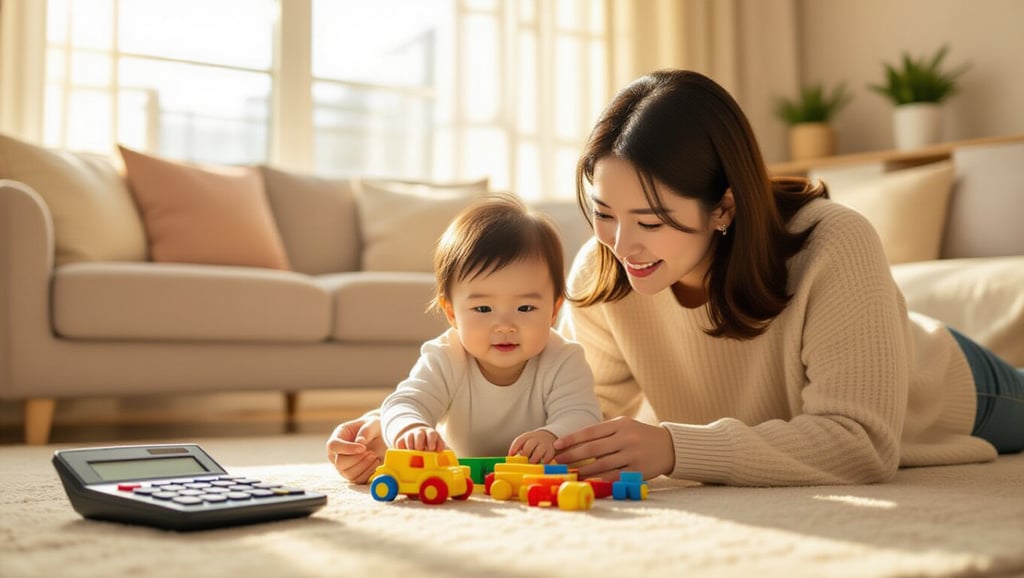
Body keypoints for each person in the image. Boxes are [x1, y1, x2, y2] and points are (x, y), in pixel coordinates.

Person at [328, 69, 1023, 486]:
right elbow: (566, 409)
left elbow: (860, 442)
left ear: (724, 205)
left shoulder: (834, 243)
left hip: (954, 387)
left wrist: (673, 445)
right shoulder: (600, 273)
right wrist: (408, 434)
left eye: (653, 220)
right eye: (604, 212)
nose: (623, 245)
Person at [327, 192, 602, 483]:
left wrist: (552, 435)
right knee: (385, 432)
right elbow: (403, 403)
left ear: (554, 310)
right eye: (483, 308)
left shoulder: (563, 359)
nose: (505, 326)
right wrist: (410, 430)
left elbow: (583, 417)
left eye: (525, 308)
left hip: (532, 477)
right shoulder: (446, 356)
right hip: (459, 477)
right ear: (451, 313)